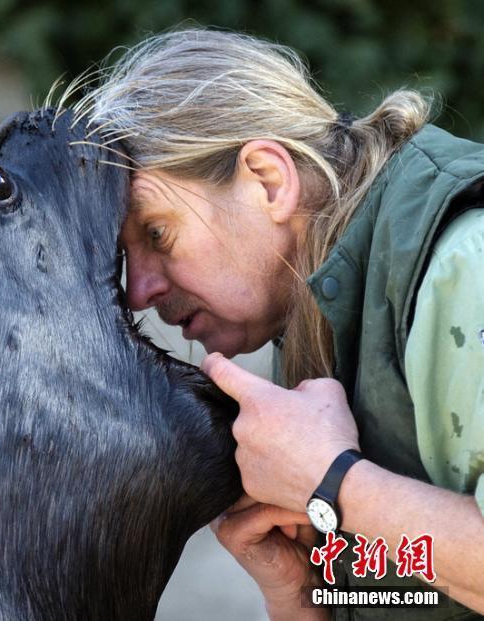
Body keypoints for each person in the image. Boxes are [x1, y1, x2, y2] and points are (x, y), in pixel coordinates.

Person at [88, 29, 484, 620]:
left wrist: (329, 482)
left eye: (157, 234)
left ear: (269, 180)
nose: (140, 291)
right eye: (128, 260)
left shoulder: (462, 263)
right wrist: (301, 596)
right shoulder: (318, 316)